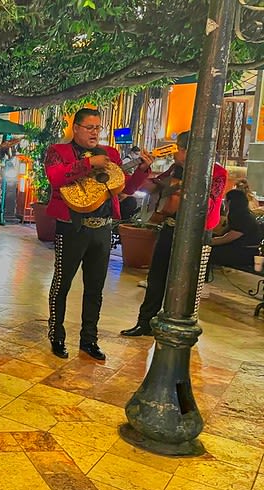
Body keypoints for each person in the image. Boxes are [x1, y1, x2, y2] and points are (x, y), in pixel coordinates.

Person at [45, 108, 151, 360]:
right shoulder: (58, 152)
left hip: (102, 227)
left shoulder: (111, 154)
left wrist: (142, 170)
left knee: (95, 288)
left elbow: (123, 188)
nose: (94, 132)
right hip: (71, 227)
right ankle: (56, 335)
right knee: (62, 284)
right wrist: (87, 163)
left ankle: (89, 339)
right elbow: (55, 178)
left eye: (98, 128)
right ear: (76, 128)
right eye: (89, 127)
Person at [121, 131, 227, 337]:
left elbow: (206, 203)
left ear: (189, 151)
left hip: (196, 234)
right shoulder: (175, 169)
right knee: (156, 277)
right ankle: (145, 322)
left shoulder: (217, 173)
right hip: (171, 227)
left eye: (178, 149)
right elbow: (154, 187)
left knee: (188, 284)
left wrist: (176, 188)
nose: (175, 154)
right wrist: (143, 169)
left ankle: (182, 328)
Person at [209, 189, 262, 270]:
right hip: (239, 248)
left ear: (230, 202)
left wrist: (208, 242)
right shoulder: (241, 215)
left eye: (225, 201)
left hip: (244, 253)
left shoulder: (243, 218)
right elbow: (223, 234)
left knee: (208, 252)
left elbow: (227, 238)